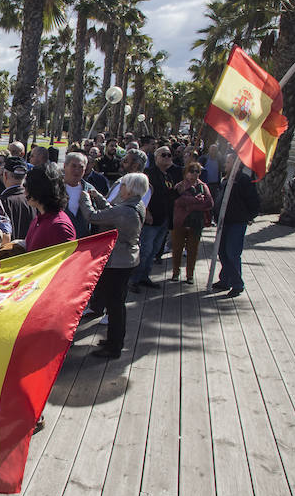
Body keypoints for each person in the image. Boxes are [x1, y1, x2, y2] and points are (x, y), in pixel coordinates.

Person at [78, 173, 148, 359]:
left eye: (123, 185)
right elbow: (112, 211)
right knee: (117, 303)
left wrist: (85, 197)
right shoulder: (135, 205)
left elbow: (93, 216)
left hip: (118, 262)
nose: (120, 189)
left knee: (115, 305)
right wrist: (98, 197)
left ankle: (114, 346)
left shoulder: (125, 211)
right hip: (127, 259)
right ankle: (113, 340)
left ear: (131, 188)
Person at [129, 145, 178, 292]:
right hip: (151, 219)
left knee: (154, 250)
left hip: (164, 219)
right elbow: (143, 195)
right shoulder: (149, 174)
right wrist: (147, 211)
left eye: (169, 155)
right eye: (163, 155)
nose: (167, 158)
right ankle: (134, 280)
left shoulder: (168, 176)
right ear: (156, 157)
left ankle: (144, 276)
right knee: (145, 249)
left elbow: (169, 196)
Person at [213, 166, 260, 297]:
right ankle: (225, 280)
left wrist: (249, 217)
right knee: (222, 251)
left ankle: (237, 284)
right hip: (224, 222)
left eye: (229, 161)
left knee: (232, 253)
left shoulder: (243, 180)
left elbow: (254, 201)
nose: (226, 163)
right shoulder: (225, 180)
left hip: (237, 223)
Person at [171, 162, 213, 283]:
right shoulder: (180, 186)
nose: (194, 174)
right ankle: (175, 272)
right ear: (186, 172)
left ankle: (190, 275)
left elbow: (209, 203)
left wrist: (191, 206)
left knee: (193, 250)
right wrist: (195, 200)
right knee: (177, 249)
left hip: (196, 223)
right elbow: (176, 201)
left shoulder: (203, 186)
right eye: (192, 171)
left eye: (197, 171)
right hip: (179, 222)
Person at [24, 164, 77, 252]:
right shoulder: (39, 219)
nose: (24, 191)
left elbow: (66, 263)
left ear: (39, 190)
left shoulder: (60, 227)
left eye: (27, 186)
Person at [0, 156, 35, 241]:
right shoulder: (33, 199)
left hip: (12, 252)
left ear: (5, 175)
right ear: (25, 176)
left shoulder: (3, 201)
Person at [62, 151, 95, 238]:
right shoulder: (53, 187)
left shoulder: (90, 190)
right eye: (73, 166)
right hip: (59, 240)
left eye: (81, 167)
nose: (77, 170)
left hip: (82, 242)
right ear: (65, 166)